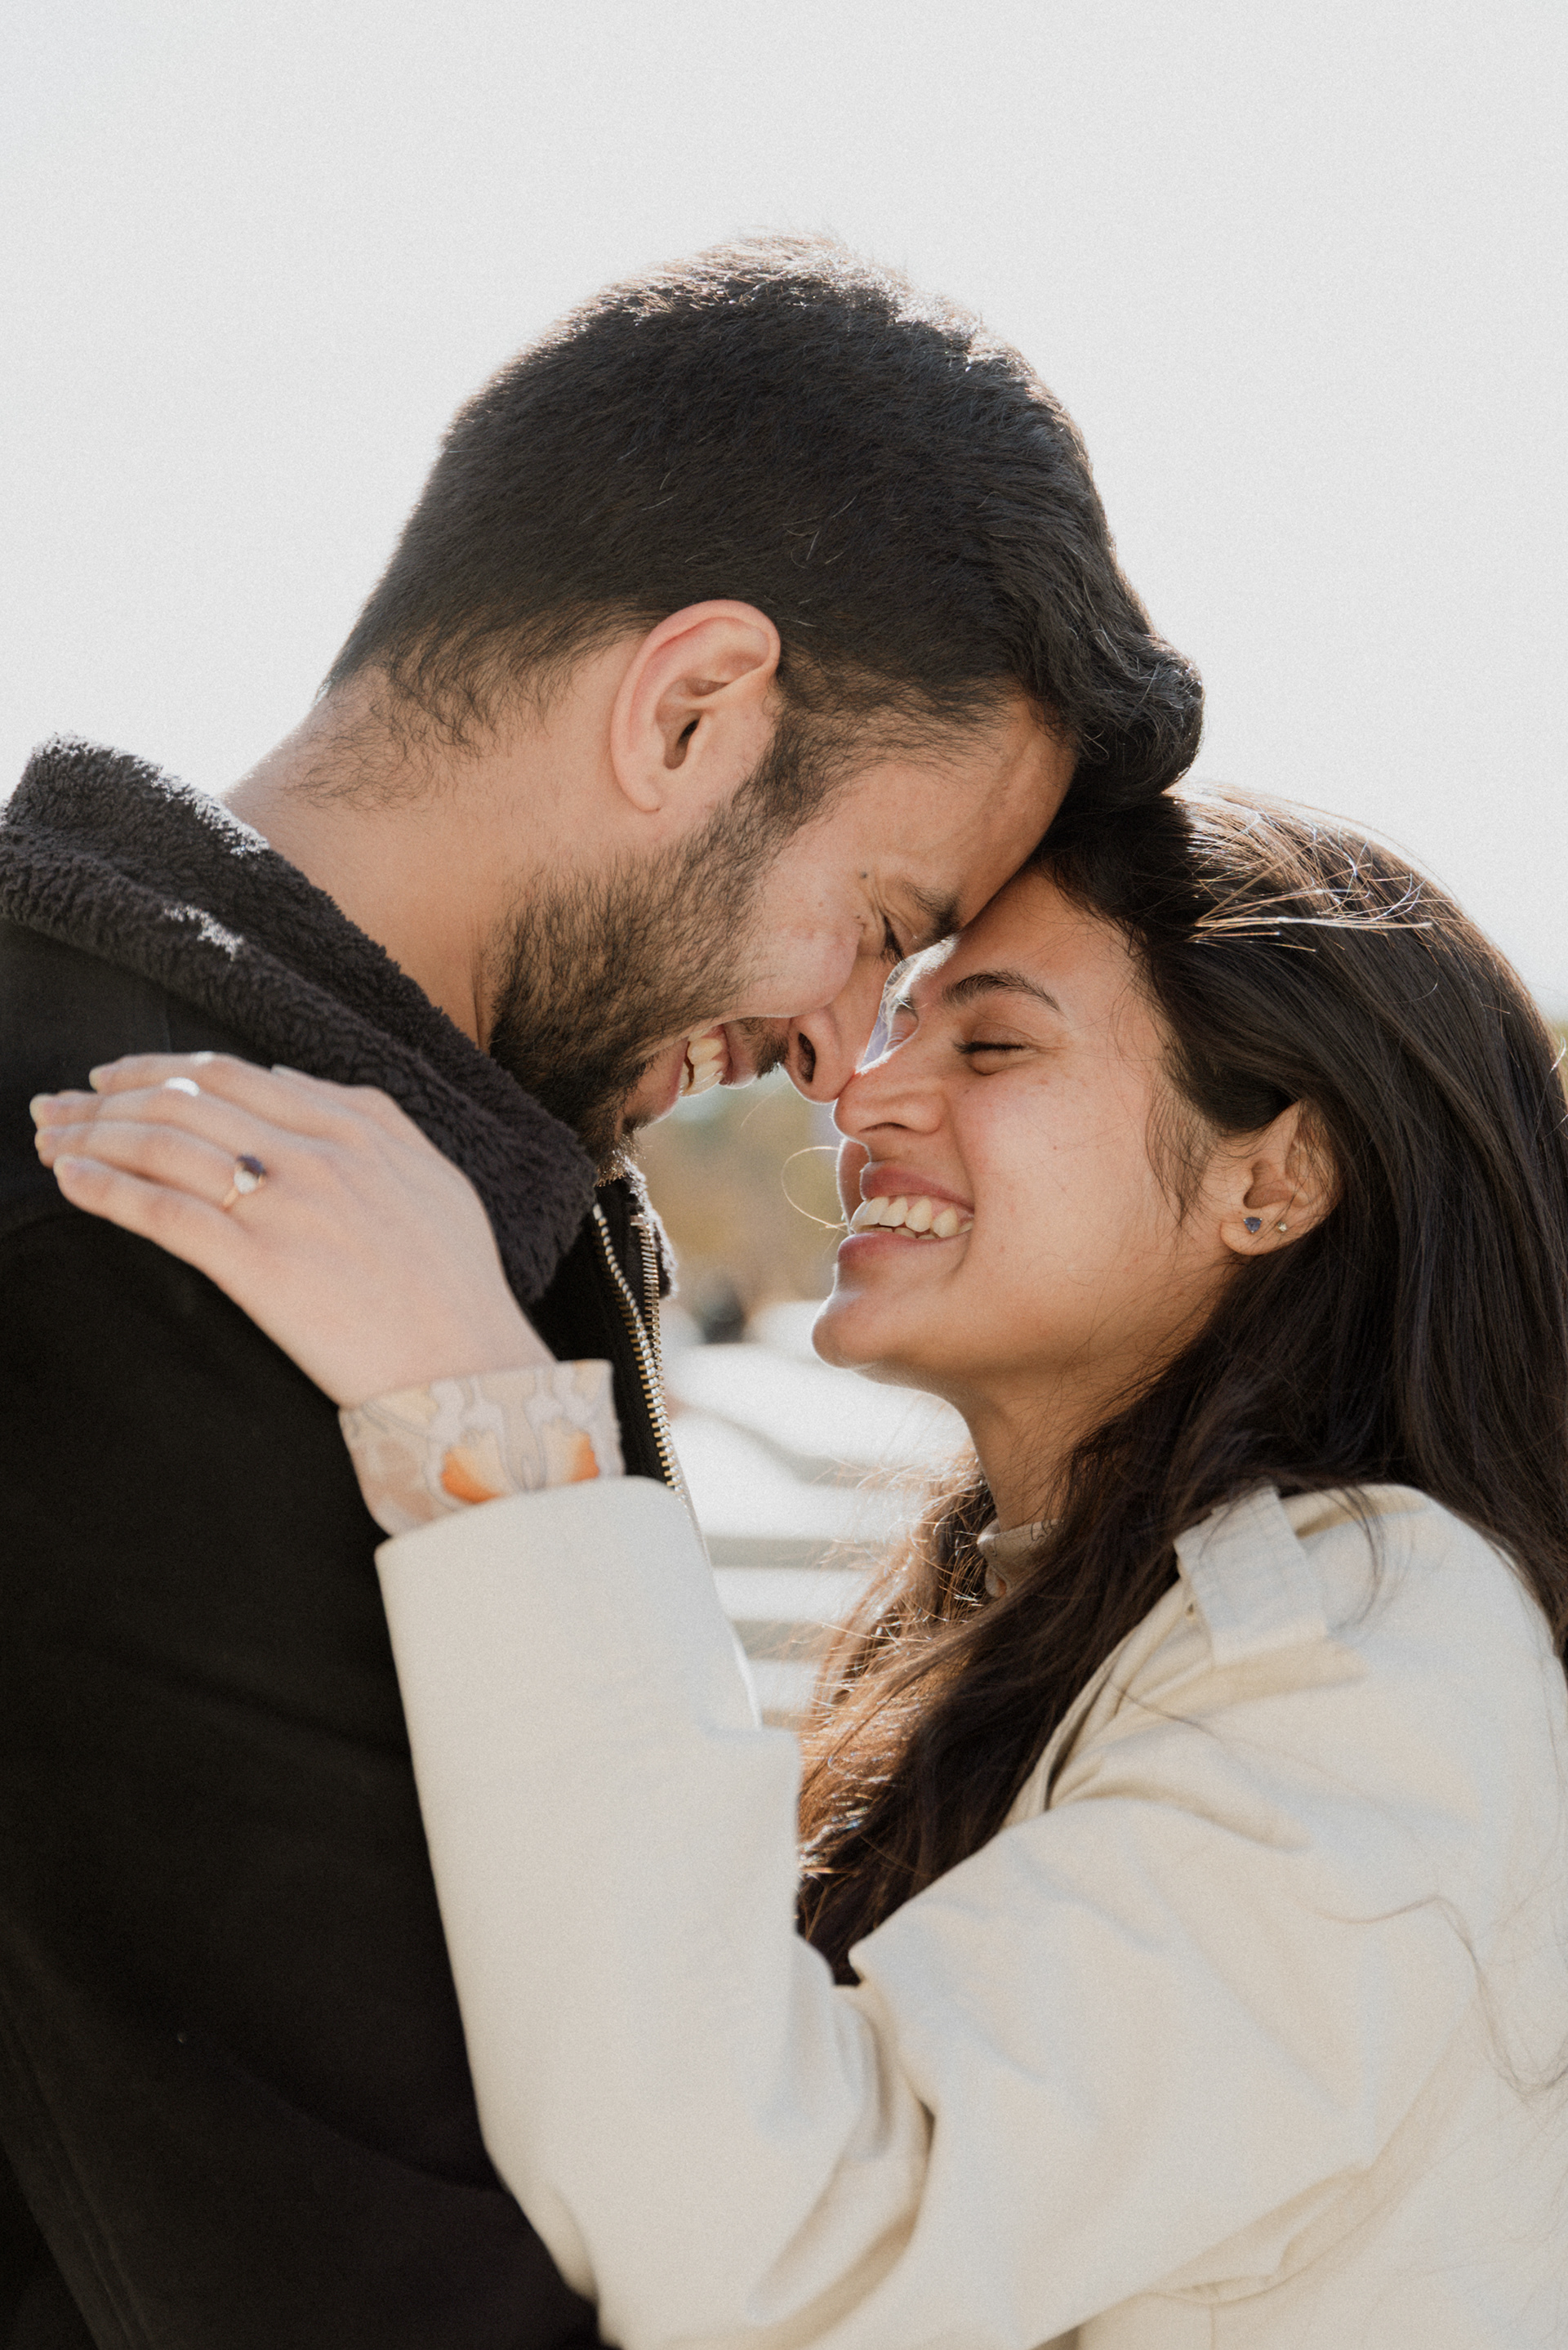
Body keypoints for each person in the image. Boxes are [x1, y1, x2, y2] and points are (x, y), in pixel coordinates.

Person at [0, 237, 1200, 2347]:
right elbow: (341, 2275)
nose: (846, 1048)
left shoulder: (435, 1202)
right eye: (879, 921)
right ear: (690, 706)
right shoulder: (134, 1209)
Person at [36, 790, 1568, 2345]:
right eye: (898, 1022)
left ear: (1274, 1178)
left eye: (989, 1045)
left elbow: (782, 2248)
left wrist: (473, 1400)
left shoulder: (1365, 1654)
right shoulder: (1068, 1617)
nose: (868, 1088)